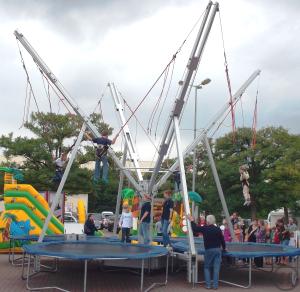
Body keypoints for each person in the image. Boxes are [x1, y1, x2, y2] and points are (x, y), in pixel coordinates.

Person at [188, 214, 226, 290]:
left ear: (207, 221)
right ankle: (215, 286)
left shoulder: (205, 228)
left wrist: (191, 220)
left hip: (209, 250)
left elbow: (195, 229)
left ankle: (208, 285)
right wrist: (224, 248)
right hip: (217, 250)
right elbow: (222, 240)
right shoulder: (218, 229)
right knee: (216, 268)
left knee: (207, 267)